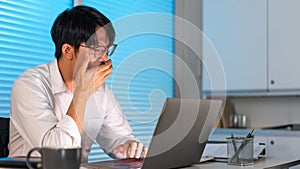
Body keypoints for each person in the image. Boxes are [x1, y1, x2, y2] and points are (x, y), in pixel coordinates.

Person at [8, 5, 147, 162]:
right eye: (98, 50)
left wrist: (128, 146)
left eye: (107, 50)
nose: (105, 59)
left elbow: (118, 137)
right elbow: (57, 153)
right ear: (68, 50)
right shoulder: (29, 85)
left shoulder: (101, 91)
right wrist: (82, 93)